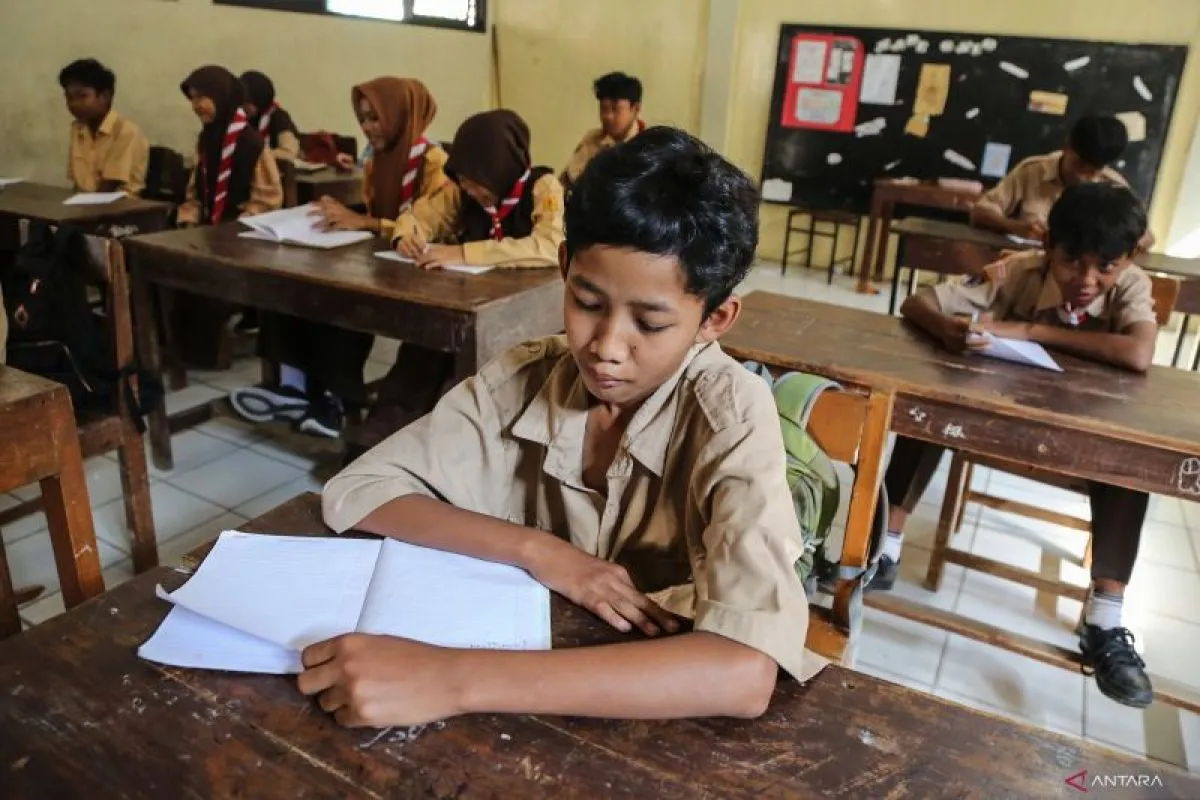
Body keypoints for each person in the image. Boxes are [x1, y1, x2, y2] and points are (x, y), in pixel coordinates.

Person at [302, 127, 818, 727]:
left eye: (650, 324)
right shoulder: (527, 376)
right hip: (540, 672)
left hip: (662, 707)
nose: (606, 348)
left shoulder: (732, 414)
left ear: (715, 319)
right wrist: (542, 552)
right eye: (587, 303)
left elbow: (744, 672)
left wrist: (452, 678)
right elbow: (358, 490)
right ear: (565, 266)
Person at [878, 182, 1158, 708]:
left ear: (1127, 260)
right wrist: (947, 330)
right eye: (1071, 262)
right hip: (1002, 420)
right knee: (933, 398)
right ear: (1048, 244)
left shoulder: (1131, 285)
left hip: (1084, 436)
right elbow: (919, 302)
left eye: (1105, 267)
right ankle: (886, 547)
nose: (1087, 280)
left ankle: (1104, 620)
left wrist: (1034, 331)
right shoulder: (1020, 270)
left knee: (1131, 460)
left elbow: (1139, 353)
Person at [228, 77, 451, 438]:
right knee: (294, 282)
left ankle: (336, 404)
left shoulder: (434, 162)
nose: (367, 128)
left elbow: (430, 228)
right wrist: (341, 214)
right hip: (382, 258)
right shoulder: (377, 160)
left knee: (345, 301)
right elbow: (378, 213)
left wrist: (364, 221)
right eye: (362, 119)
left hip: (420, 269)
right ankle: (295, 388)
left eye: (375, 118)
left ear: (400, 116)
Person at [341, 109, 564, 446]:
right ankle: (380, 444)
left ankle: (442, 449)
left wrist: (463, 253)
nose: (469, 190)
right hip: (466, 303)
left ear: (498, 166)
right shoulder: (461, 191)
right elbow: (418, 216)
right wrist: (405, 236)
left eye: (476, 181)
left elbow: (549, 245)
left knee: (461, 384)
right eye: (465, 181)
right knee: (421, 357)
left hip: (521, 314)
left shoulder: (542, 186)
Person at [174, 66, 283, 368]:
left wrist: (229, 231)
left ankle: (207, 353)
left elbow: (268, 200)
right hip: (209, 232)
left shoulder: (252, 143)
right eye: (193, 99)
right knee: (173, 273)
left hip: (243, 237)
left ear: (222, 96)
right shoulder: (206, 140)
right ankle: (179, 350)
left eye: (203, 97)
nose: (197, 105)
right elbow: (195, 193)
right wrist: (189, 224)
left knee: (210, 279)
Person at [971, 115, 1153, 249]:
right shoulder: (1033, 170)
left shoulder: (1114, 187)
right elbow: (980, 212)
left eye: (1093, 172)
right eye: (1078, 165)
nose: (1082, 177)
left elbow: (1146, 238)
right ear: (1067, 146)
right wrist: (1014, 227)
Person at [59, 58, 149, 195]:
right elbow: (78, 184)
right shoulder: (78, 129)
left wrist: (81, 206)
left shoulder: (126, 130)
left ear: (105, 96)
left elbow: (110, 185)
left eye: (82, 96)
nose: (75, 104)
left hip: (120, 205)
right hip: (86, 202)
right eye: (69, 98)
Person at [560, 72, 644, 194]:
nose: (608, 116)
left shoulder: (647, 147)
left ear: (635, 109)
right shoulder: (592, 140)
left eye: (615, 109)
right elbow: (566, 182)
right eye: (603, 109)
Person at [239, 70, 301, 162]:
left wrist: (260, 154)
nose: (242, 106)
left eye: (247, 102)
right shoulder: (238, 114)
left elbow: (289, 153)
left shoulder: (279, 118)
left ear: (259, 104)